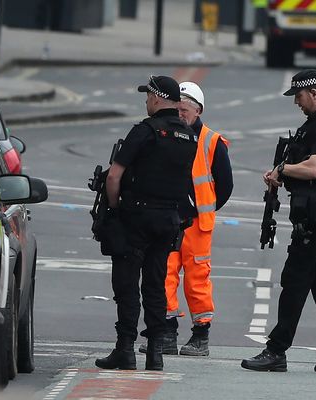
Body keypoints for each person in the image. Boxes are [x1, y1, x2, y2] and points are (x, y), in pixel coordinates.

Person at [241, 69, 316, 373]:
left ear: (315, 93)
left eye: (299, 95)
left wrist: (282, 170)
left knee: (294, 282)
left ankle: (276, 350)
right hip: (311, 215)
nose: (296, 101)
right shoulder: (315, 125)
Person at [95, 75, 198, 371]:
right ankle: (156, 353)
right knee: (155, 285)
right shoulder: (187, 135)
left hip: (135, 217)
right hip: (168, 221)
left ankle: (125, 349)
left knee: (127, 285)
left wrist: (114, 208)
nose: (146, 101)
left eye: (147, 96)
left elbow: (114, 176)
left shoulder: (145, 131)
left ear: (155, 98)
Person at [139, 81, 233, 357]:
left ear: (198, 110)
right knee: (164, 274)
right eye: (177, 108)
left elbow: (225, 186)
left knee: (197, 279)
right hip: (168, 218)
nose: (180, 114)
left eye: (184, 109)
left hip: (196, 223)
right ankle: (166, 332)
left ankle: (200, 336)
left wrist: (205, 209)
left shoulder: (212, 142)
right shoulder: (166, 132)